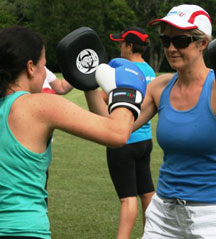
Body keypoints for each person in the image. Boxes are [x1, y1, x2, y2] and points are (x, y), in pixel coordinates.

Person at [0, 25, 146, 239]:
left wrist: (88, 82)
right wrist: (127, 91)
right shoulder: (39, 105)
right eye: (44, 66)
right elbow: (117, 134)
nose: (44, 73)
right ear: (30, 67)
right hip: (24, 229)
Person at [85, 3, 216, 239]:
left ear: (203, 43)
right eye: (166, 41)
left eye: (181, 41)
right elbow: (113, 130)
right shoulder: (159, 87)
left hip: (209, 216)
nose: (172, 48)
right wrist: (88, 85)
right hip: (163, 214)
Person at [101, 26, 156, 239]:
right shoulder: (150, 71)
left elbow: (101, 102)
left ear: (130, 45)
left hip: (123, 140)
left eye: (121, 44)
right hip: (145, 141)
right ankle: (150, 234)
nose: (120, 48)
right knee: (147, 192)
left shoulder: (119, 72)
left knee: (127, 198)